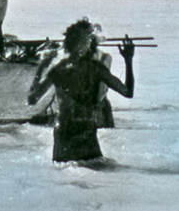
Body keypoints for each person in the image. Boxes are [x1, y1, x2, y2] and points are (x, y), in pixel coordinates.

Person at [27, 18, 135, 163]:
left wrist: (41, 68)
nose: (91, 43)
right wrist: (128, 60)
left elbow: (32, 99)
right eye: (89, 40)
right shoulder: (95, 68)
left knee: (64, 175)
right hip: (85, 135)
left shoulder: (58, 70)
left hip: (63, 136)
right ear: (81, 43)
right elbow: (127, 92)